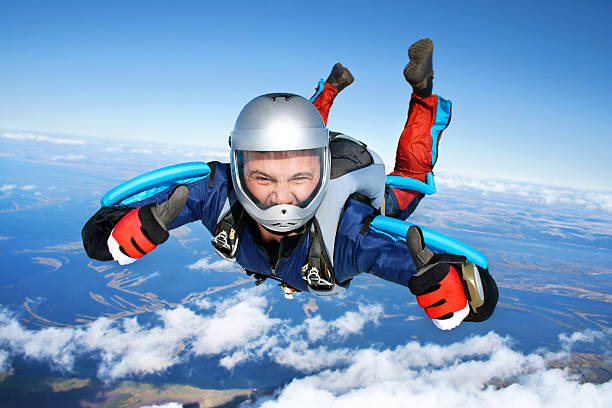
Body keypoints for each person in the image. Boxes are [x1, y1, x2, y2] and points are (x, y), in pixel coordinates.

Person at [82, 39, 497, 330]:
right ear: (239, 170)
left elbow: (430, 269)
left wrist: (455, 287)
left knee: (407, 183)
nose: (282, 198)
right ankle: (365, 93)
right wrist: (116, 231)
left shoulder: (350, 233)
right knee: (294, 143)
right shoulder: (218, 193)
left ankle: (413, 93)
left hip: (351, 178)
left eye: (300, 179)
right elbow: (107, 227)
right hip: (313, 161)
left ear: (321, 170)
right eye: (262, 178)